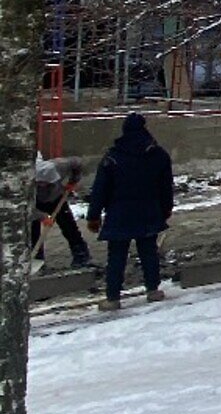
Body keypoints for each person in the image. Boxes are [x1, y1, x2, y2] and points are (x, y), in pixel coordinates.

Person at [86, 113, 174, 311]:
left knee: (116, 256)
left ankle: (113, 298)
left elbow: (100, 188)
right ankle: (153, 289)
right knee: (149, 252)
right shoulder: (158, 155)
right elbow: (166, 186)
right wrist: (166, 208)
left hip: (119, 213)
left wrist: (93, 216)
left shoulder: (113, 157)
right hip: (148, 211)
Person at [31, 156, 92, 272]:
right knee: (33, 232)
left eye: (48, 183)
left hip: (57, 198)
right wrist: (42, 216)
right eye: (42, 183)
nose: (44, 185)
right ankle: (37, 260)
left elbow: (78, 163)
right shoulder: (25, 182)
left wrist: (73, 180)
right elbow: (26, 207)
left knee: (69, 226)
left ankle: (81, 254)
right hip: (35, 203)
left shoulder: (61, 165)